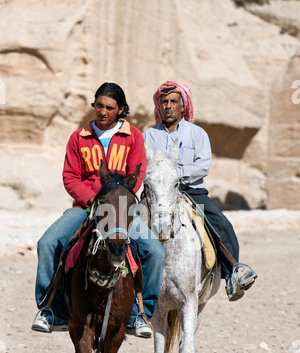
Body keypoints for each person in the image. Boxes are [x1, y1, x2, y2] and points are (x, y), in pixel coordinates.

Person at [32, 82, 165, 337]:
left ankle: (140, 315)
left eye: (109, 107)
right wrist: (94, 200)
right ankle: (51, 310)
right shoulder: (78, 138)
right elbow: (70, 177)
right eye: (99, 105)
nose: (102, 111)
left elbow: (135, 176)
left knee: (155, 252)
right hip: (85, 207)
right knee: (47, 243)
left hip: (121, 209)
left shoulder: (133, 136)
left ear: (121, 109)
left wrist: (115, 201)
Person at [143, 80, 257, 301]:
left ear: (183, 106)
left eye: (173, 102)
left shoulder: (198, 134)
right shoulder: (148, 136)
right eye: (164, 102)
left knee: (221, 225)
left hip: (191, 191)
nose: (168, 106)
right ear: (159, 107)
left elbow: (203, 165)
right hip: (157, 194)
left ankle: (233, 273)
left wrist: (176, 175)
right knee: (128, 224)